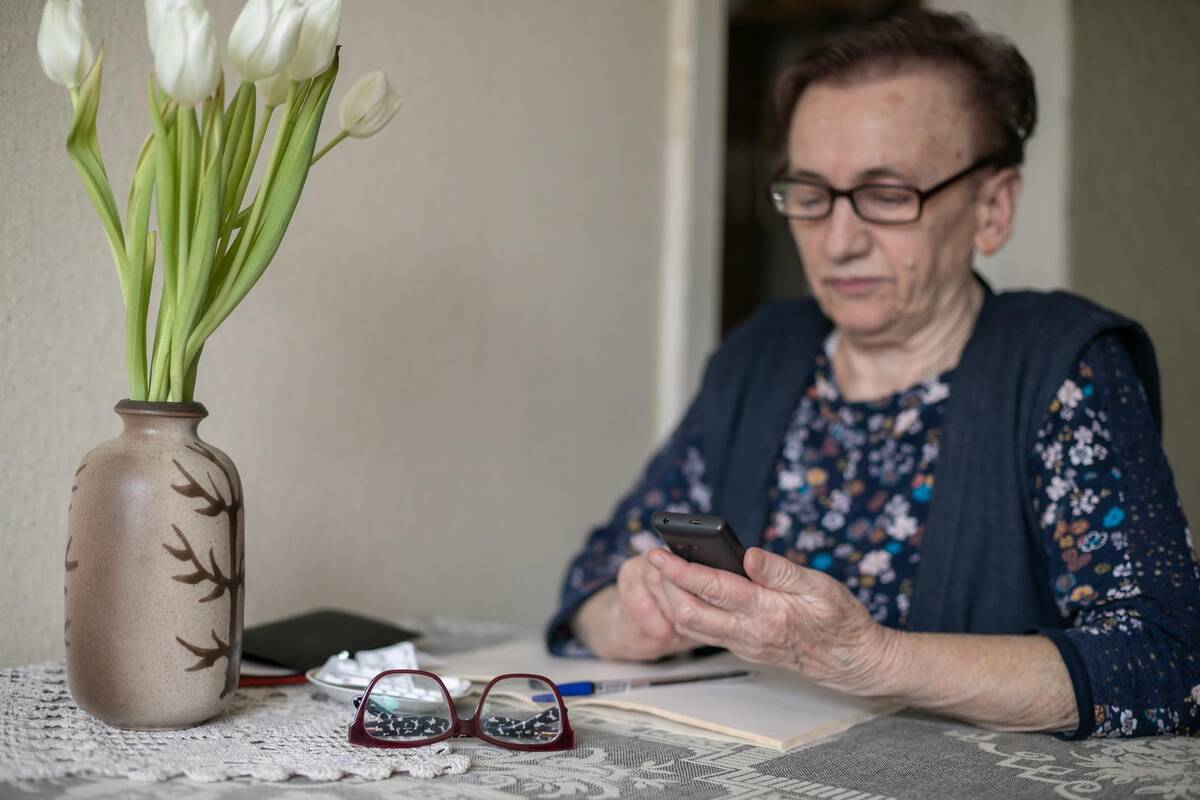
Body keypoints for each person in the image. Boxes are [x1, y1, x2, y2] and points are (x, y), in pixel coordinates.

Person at [546, 9, 1200, 739]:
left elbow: (1168, 659)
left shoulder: (1062, 364)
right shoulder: (763, 352)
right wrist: (629, 618)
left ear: (992, 207)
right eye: (810, 195)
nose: (838, 241)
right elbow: (595, 575)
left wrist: (871, 658)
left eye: (887, 196)